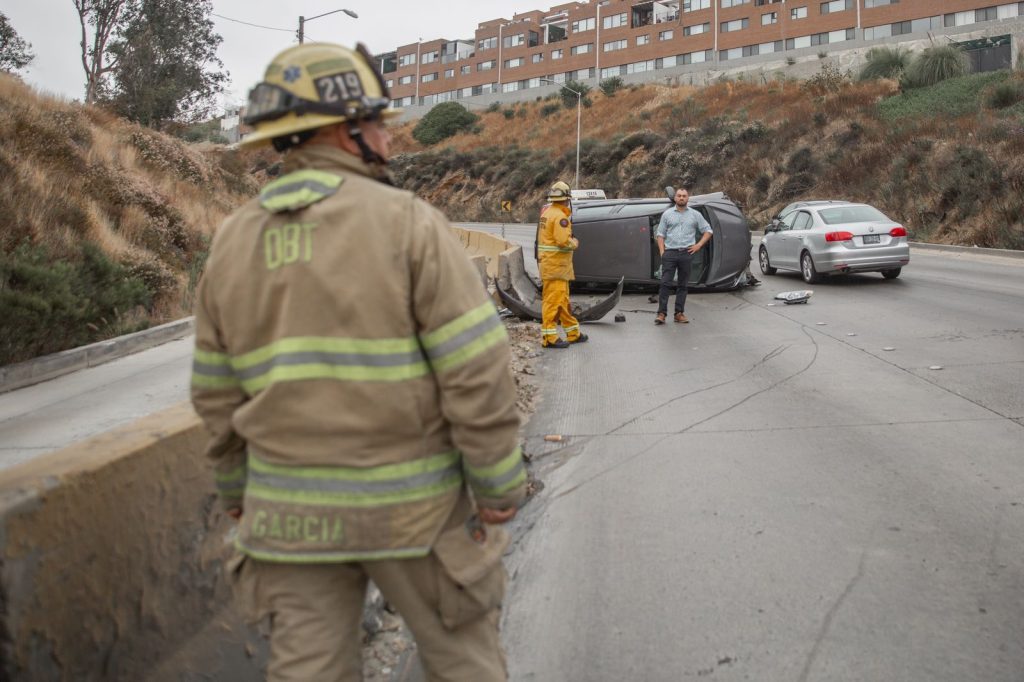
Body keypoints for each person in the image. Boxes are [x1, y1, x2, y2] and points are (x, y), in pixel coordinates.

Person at [190, 42, 526, 681]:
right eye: (375, 122)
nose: (388, 137)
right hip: (414, 512)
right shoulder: (409, 223)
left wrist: (238, 493)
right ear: (346, 132)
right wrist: (498, 483)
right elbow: (476, 368)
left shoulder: (232, 241)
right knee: (465, 666)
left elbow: (215, 394)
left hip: (288, 517)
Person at [537, 181, 588, 348]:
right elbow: (562, 241)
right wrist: (574, 242)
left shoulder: (547, 213)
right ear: (567, 199)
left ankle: (573, 333)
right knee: (553, 302)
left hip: (554, 266)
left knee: (563, 301)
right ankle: (549, 338)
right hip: (556, 267)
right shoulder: (559, 217)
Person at [654, 187, 713, 325]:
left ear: (688, 198)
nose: (681, 198)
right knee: (665, 283)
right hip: (670, 253)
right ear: (675, 198)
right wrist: (663, 252)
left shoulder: (695, 215)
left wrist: (698, 245)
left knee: (683, 285)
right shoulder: (667, 214)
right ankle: (661, 313)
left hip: (686, 253)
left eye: (684, 196)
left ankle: (679, 313)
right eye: (679, 196)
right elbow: (660, 234)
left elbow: (708, 230)